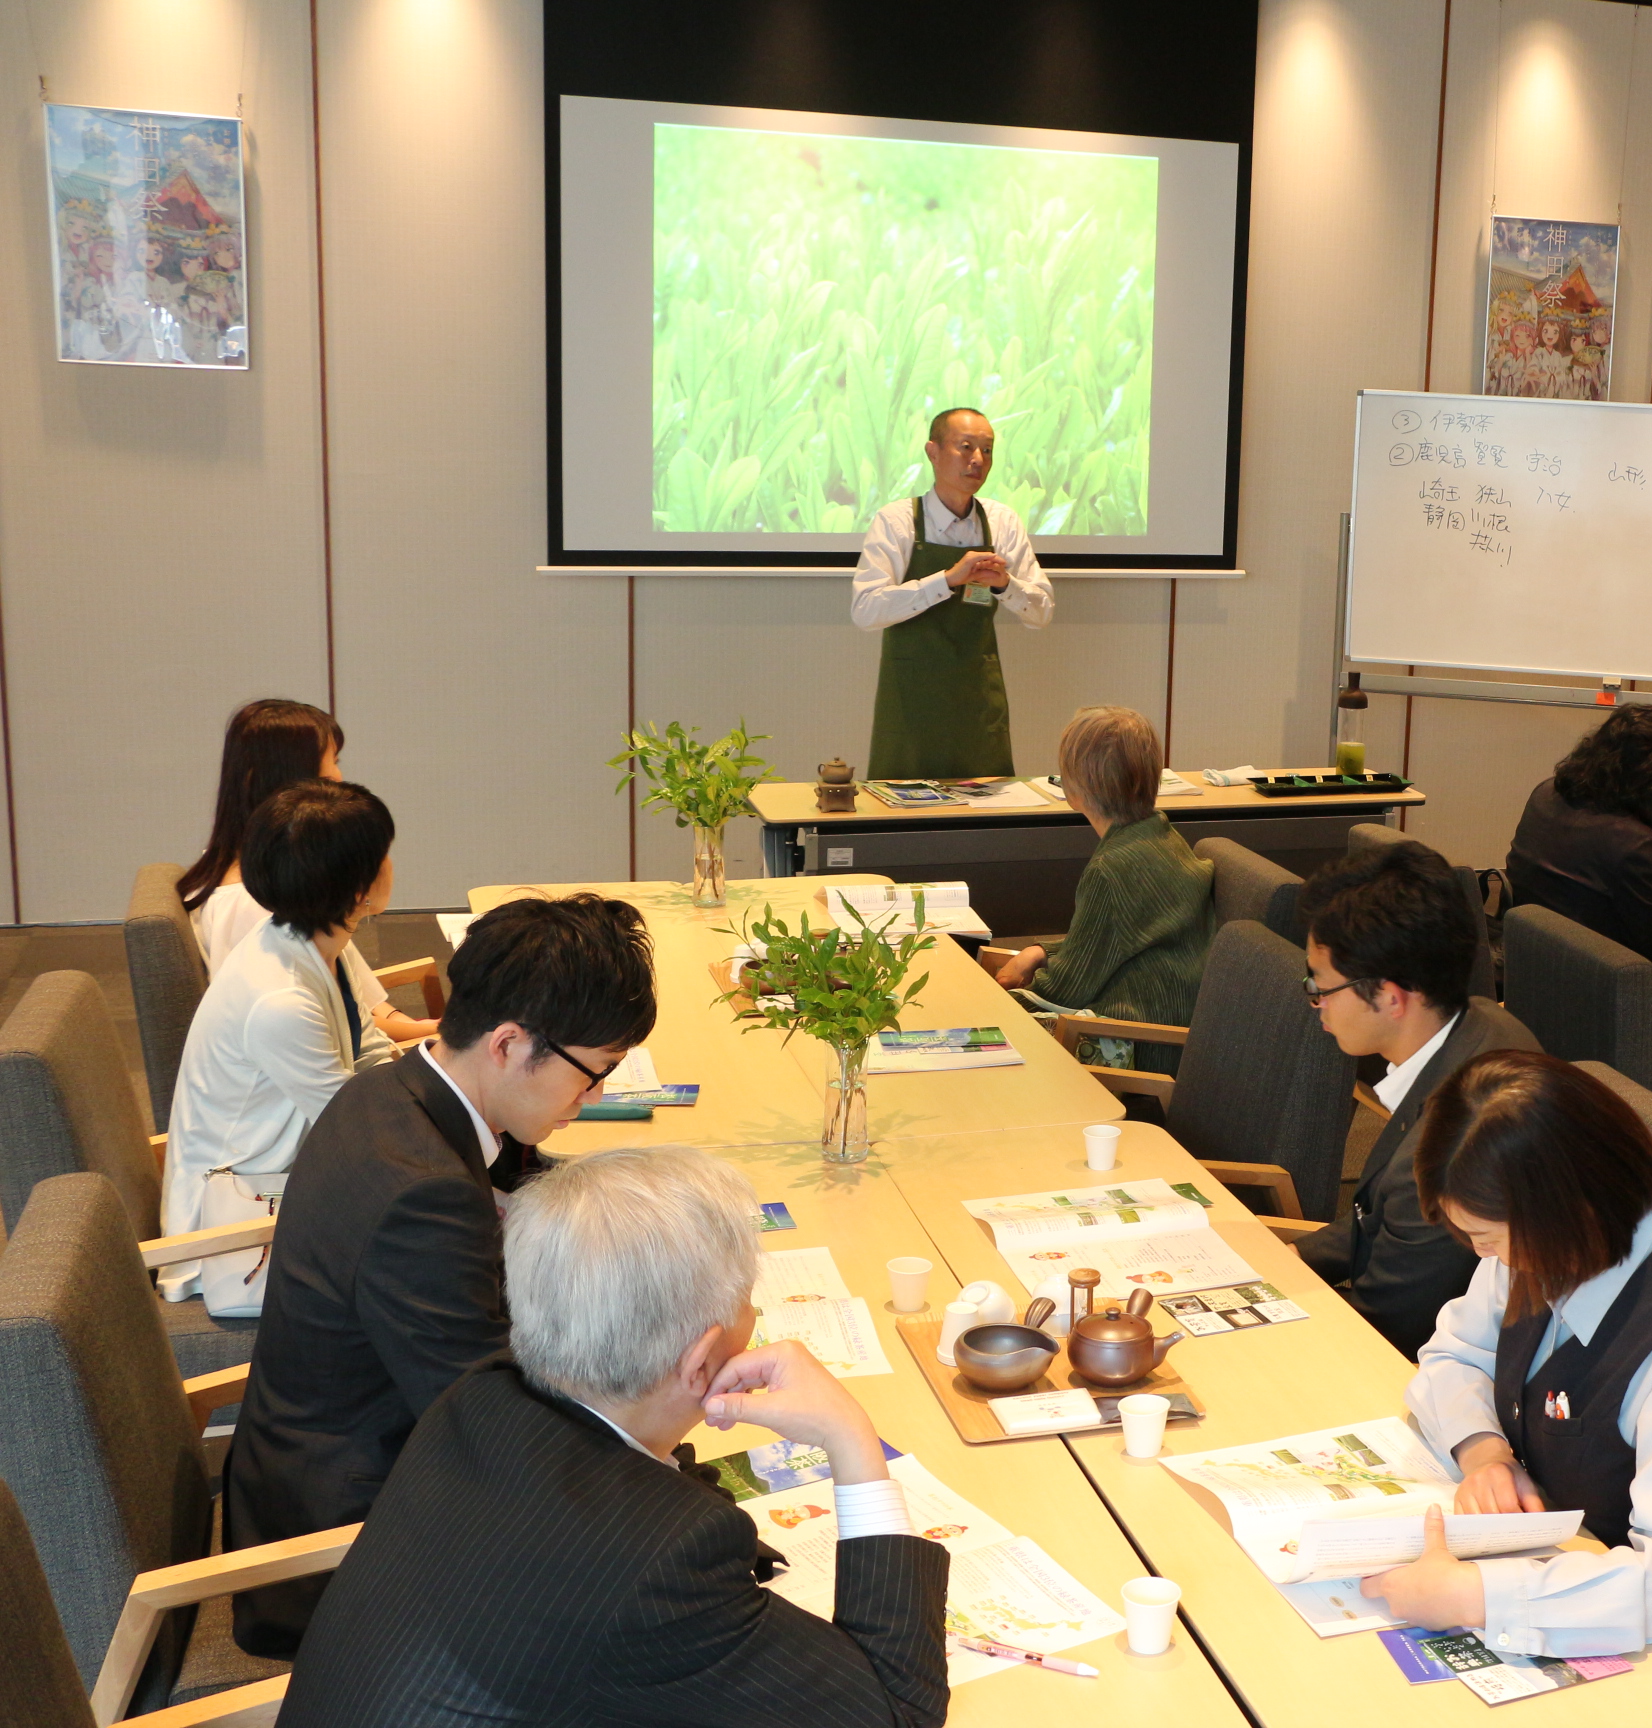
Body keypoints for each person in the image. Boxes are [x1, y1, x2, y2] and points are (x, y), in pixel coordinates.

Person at [276, 1145, 949, 1726]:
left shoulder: (484, 1393)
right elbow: (897, 1710)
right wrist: (852, 1439)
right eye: (748, 1300)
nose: (756, 1313)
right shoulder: (659, 1567)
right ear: (701, 1361)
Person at [225, 893, 657, 1655]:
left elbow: (506, 1178)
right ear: (508, 1044)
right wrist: (659, 1460)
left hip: (316, 1461)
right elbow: (488, 1428)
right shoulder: (419, 1198)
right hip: (342, 1552)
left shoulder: (392, 1091)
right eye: (592, 1075)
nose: (592, 1101)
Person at [1362, 1052, 1652, 1663]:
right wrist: (1484, 1451)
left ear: (1569, 1212)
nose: (1487, 1259)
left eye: (1490, 1238)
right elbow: (1455, 1353)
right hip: (1565, 1571)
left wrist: (1474, 1596)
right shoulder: (1560, 1233)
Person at [159, 781, 399, 1313]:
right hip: (239, 1233)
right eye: (383, 854)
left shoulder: (311, 939)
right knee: (444, 1249)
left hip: (287, 1178)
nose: (391, 864)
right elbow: (355, 1128)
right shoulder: (281, 1000)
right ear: (357, 885)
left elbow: (371, 1052)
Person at [1294, 840, 1540, 1357]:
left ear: (1389, 995)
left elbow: (1385, 1331)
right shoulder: (1483, 1021)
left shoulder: (1453, 1144)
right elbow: (1374, 1217)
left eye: (1322, 985)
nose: (1316, 1002)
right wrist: (1285, 1260)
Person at [177, 697, 437, 1044]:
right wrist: (440, 1034)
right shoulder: (249, 901)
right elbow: (308, 1032)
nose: (339, 779)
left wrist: (424, 1028)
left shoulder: (259, 870)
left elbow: (359, 1006)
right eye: (330, 767)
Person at [992, 707, 1215, 1071]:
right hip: (1176, 1027)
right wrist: (1039, 951)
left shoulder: (1109, 870)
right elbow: (1112, 938)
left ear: (1077, 787)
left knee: (987, 1024)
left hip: (1139, 1042)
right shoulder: (1163, 837)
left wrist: (1008, 996)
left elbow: (1068, 986)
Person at [849, 407, 1055, 779]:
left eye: (988, 450)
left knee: (984, 822)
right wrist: (946, 580)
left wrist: (1005, 585)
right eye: (966, 447)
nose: (978, 460)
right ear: (933, 452)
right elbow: (865, 610)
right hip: (910, 704)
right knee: (902, 819)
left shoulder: (1002, 521)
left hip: (978, 703)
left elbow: (1041, 612)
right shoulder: (897, 521)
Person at [1505, 703, 1652, 961]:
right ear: (1649, 780)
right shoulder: (1637, 846)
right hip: (1599, 980)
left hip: (1529, 960)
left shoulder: (1545, 793)